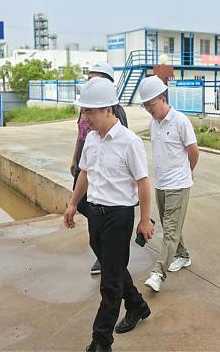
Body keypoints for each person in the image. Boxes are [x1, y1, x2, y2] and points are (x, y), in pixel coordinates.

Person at [64, 78, 154, 352]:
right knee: (113, 267)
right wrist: (73, 204)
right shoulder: (91, 139)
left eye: (90, 111)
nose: (85, 117)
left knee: (110, 283)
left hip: (119, 217)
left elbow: (143, 183)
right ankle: (137, 305)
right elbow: (85, 173)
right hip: (95, 215)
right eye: (84, 111)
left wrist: (144, 220)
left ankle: (101, 341)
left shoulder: (129, 142)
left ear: (108, 110)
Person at [137, 76, 200, 292]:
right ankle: (182, 255)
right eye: (145, 106)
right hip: (161, 184)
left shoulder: (180, 121)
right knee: (169, 225)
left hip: (178, 184)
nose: (149, 109)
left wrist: (187, 172)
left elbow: (194, 152)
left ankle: (158, 273)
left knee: (170, 230)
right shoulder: (153, 124)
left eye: (151, 104)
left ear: (162, 98)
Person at [69, 62, 128, 275]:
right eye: (89, 78)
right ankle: (104, 248)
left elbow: (120, 145)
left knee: (100, 209)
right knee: (83, 204)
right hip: (86, 162)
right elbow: (80, 134)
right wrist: (75, 158)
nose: (91, 82)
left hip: (101, 170)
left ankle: (107, 255)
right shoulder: (86, 107)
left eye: (96, 79)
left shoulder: (114, 110)